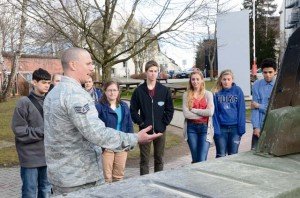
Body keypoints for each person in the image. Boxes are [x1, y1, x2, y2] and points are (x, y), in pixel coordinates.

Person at [43, 47, 162, 195]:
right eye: (88, 64)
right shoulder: (75, 95)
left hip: (62, 177)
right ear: (73, 65)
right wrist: (135, 138)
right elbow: (97, 133)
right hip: (80, 179)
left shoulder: (53, 94)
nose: (92, 68)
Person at [11, 68, 52, 198]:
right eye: (44, 82)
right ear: (34, 82)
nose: (47, 85)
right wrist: (43, 131)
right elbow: (19, 130)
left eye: (48, 83)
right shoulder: (23, 103)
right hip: (30, 157)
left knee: (45, 190)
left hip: (48, 156)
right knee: (29, 191)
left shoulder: (51, 102)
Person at [130, 60, 174, 175]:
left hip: (160, 131)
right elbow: (133, 110)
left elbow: (169, 110)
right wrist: (141, 123)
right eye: (150, 71)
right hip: (145, 131)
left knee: (159, 159)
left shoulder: (164, 90)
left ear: (158, 72)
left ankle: (158, 182)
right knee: (144, 160)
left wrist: (163, 124)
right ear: (146, 72)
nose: (153, 74)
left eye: (155, 71)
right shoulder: (139, 91)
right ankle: (145, 184)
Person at [95, 81, 133, 183]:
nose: (112, 93)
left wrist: (130, 142)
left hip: (122, 145)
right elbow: (96, 128)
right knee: (107, 177)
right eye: (109, 90)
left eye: (114, 90)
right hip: (107, 147)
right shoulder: (99, 107)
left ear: (118, 91)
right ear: (105, 92)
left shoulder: (124, 106)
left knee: (119, 176)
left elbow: (129, 125)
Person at [212, 69, 246, 158]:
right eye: (224, 79)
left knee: (233, 155)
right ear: (220, 80)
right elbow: (214, 113)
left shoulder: (238, 91)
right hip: (221, 129)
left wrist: (241, 129)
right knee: (221, 155)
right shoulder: (216, 93)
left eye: (228, 79)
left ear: (232, 80)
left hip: (235, 129)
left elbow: (241, 110)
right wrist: (216, 130)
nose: (226, 82)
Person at [182, 71, 214, 163]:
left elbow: (210, 112)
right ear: (190, 81)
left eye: (197, 79)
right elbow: (186, 114)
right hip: (191, 129)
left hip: (205, 128)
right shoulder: (186, 95)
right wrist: (203, 113)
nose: (195, 81)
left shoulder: (208, 94)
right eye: (193, 79)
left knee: (202, 160)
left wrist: (194, 110)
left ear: (202, 80)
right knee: (196, 159)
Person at [251, 58, 277, 149]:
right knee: (253, 155)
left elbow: (275, 109)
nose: (268, 75)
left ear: (275, 72)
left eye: (270, 72)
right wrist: (256, 127)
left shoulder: (279, 86)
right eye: (265, 72)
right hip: (259, 126)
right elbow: (254, 109)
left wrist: (259, 106)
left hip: (275, 127)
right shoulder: (256, 85)